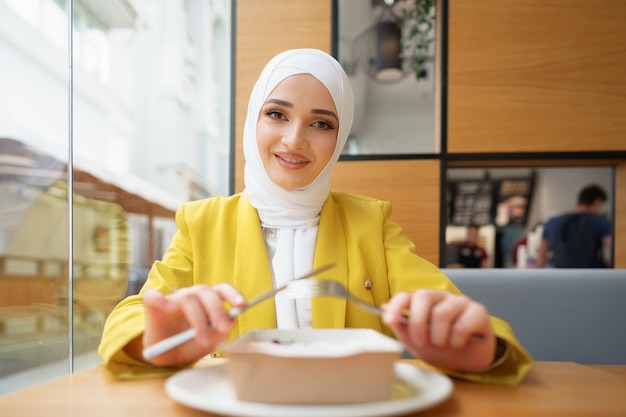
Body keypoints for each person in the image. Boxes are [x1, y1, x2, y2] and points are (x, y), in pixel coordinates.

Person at [98, 49, 532, 384]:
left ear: (339, 138)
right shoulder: (202, 222)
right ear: (254, 121)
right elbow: (130, 317)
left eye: (321, 124)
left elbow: (457, 314)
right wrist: (152, 340)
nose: (295, 138)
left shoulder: (371, 224)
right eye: (277, 114)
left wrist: (475, 345)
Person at [537, 184, 612, 268]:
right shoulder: (600, 222)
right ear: (598, 201)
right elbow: (613, 249)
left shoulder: (552, 222)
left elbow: (542, 255)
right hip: (592, 275)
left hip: (561, 275)